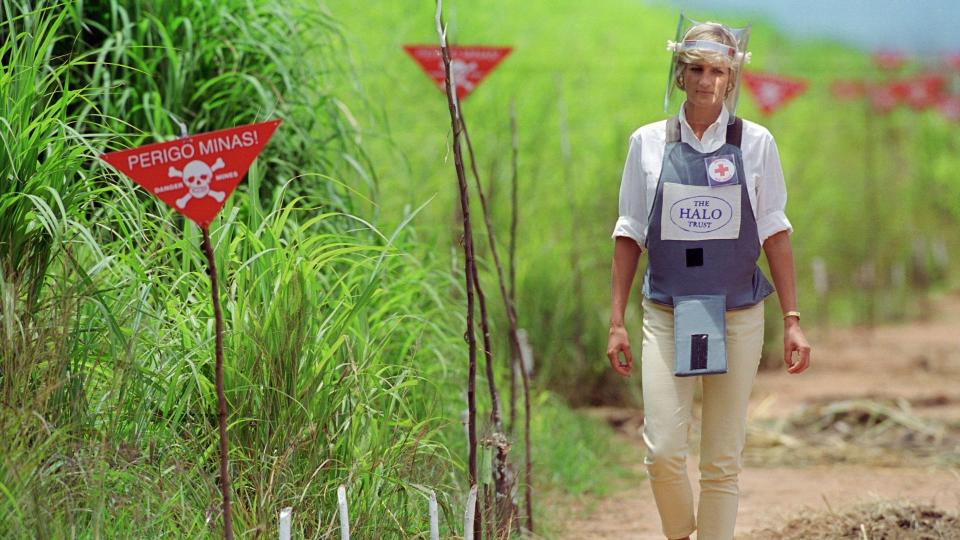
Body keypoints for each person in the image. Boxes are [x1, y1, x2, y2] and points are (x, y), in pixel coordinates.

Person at [605, 18, 811, 540]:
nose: (705, 81)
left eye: (717, 71)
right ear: (679, 74)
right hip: (666, 313)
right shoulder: (647, 143)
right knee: (663, 452)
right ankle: (680, 534)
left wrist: (792, 319)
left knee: (722, 460)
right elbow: (629, 232)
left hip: (737, 313)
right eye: (695, 69)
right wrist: (615, 322)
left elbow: (775, 231)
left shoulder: (756, 143)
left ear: (732, 78)